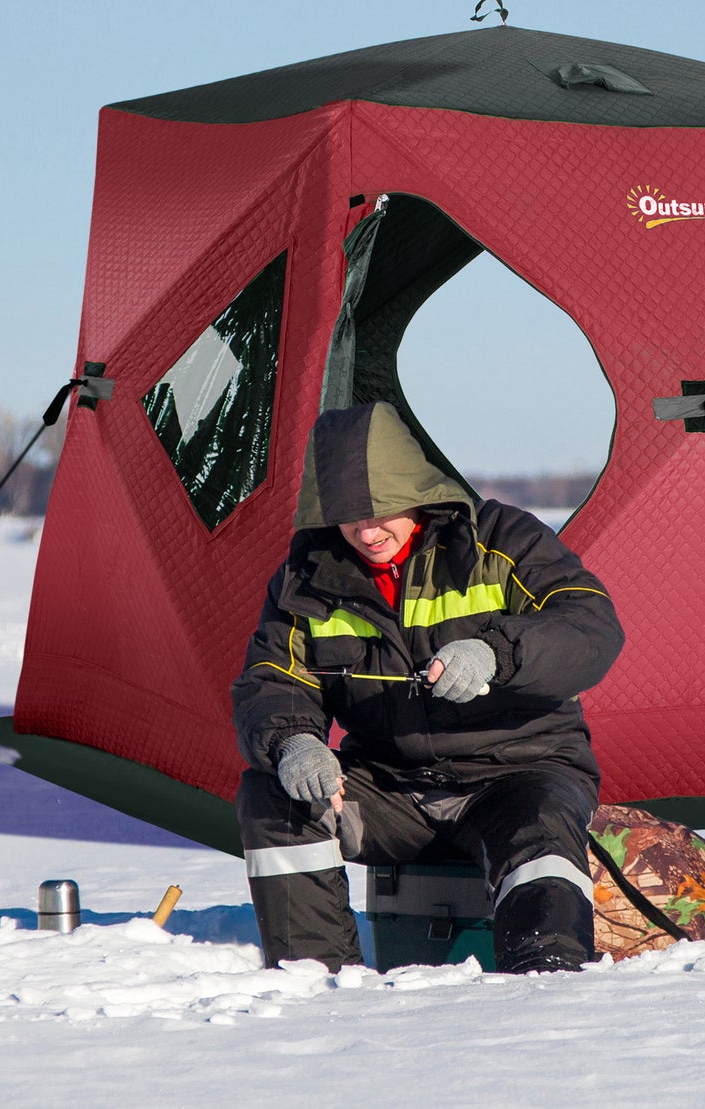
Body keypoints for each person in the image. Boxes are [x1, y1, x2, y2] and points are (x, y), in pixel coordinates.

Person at [231, 401, 624, 974]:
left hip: (518, 775)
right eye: (348, 515)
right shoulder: (306, 576)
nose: (367, 531)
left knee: (539, 831)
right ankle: (315, 984)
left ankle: (546, 983)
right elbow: (273, 676)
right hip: (392, 792)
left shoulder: (501, 539)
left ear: (416, 490)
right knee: (274, 796)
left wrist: (496, 654)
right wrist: (294, 741)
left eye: (383, 510)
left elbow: (590, 627)